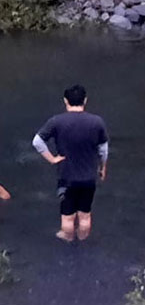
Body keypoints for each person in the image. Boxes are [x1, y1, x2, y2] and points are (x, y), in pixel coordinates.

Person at [32, 85, 108, 242]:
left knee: (67, 217)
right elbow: (103, 150)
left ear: (65, 101)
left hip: (67, 177)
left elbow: (37, 141)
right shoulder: (97, 122)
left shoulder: (56, 121)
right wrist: (102, 168)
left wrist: (52, 159)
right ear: (85, 100)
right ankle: (83, 240)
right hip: (88, 178)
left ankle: (67, 242)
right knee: (85, 215)